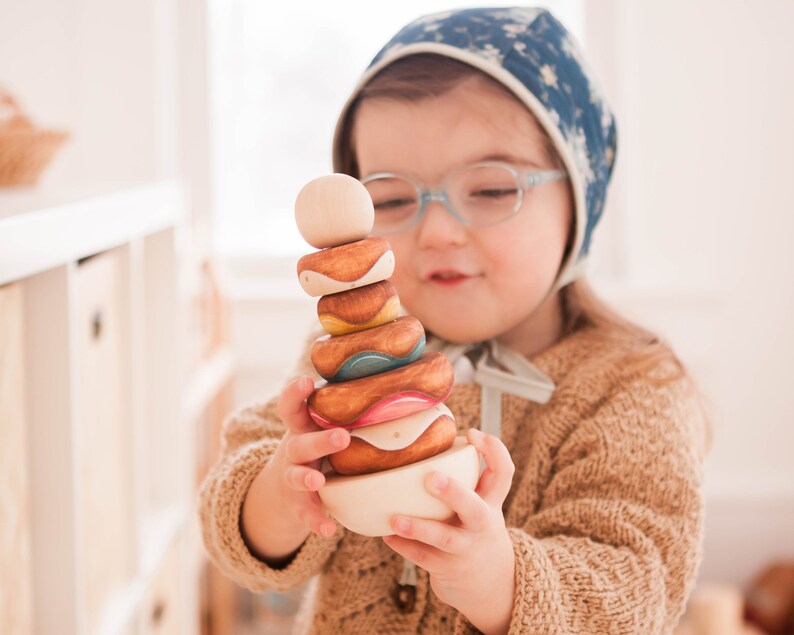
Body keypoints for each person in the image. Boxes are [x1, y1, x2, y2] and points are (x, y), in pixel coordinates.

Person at [199, 7, 709, 634]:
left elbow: (637, 580)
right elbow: (233, 525)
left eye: (491, 190)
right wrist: (281, 492)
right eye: (389, 198)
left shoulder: (631, 388)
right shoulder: (349, 358)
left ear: (580, 203)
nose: (437, 230)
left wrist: (498, 579)